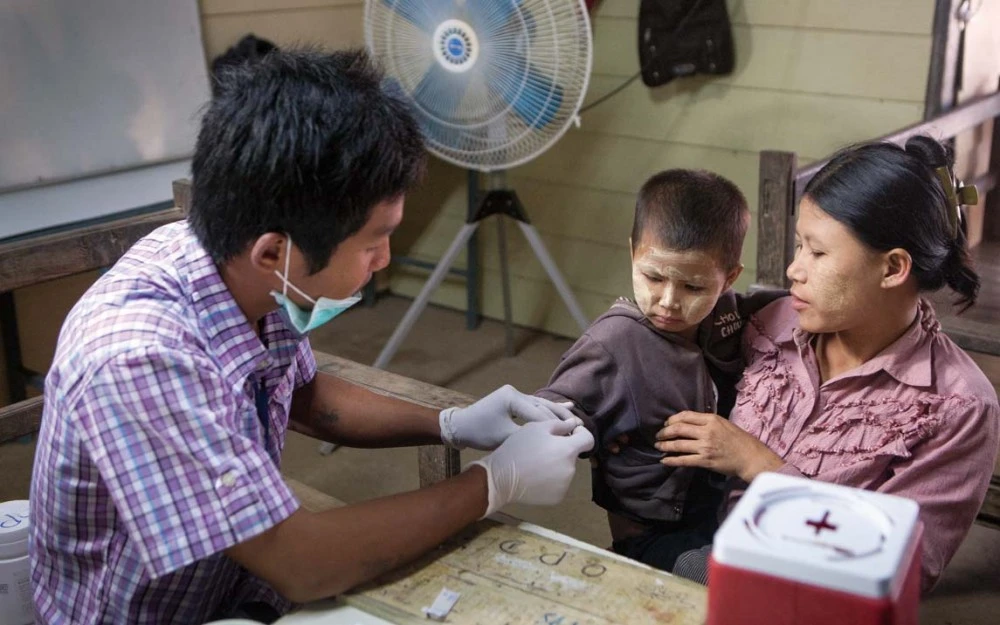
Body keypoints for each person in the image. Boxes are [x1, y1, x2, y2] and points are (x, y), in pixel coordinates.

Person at [28, 49, 594, 624]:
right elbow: (301, 562)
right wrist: (495, 482)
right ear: (274, 251)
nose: (384, 260)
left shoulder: (240, 269)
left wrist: (450, 422)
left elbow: (303, 396)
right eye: (373, 242)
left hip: (235, 584)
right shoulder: (138, 357)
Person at [655, 136, 1000, 593]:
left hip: (809, 598)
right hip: (709, 548)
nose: (794, 270)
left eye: (817, 253)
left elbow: (905, 571)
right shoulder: (771, 323)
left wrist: (758, 463)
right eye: (799, 246)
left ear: (893, 268)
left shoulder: (957, 408)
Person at [535, 170, 783, 571]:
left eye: (693, 288)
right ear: (633, 252)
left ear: (729, 279)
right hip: (654, 535)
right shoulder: (613, 344)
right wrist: (587, 436)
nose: (668, 301)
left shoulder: (733, 317)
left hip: (724, 509)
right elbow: (547, 414)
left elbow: (788, 306)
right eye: (652, 276)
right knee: (740, 591)